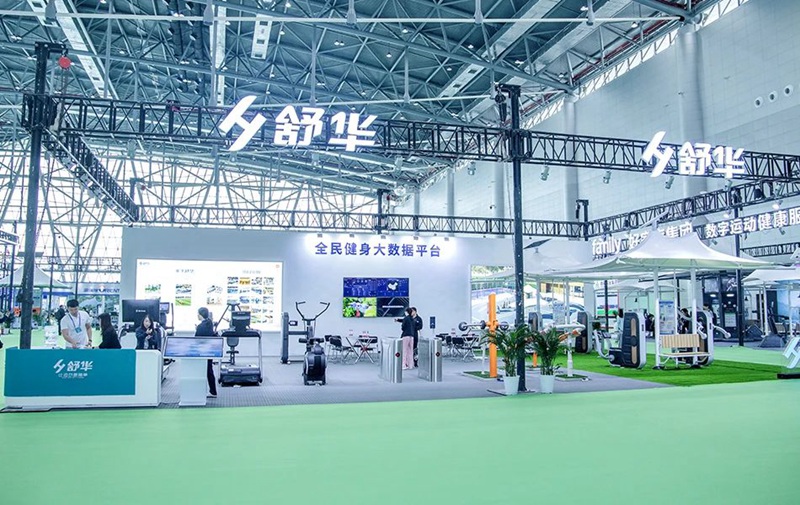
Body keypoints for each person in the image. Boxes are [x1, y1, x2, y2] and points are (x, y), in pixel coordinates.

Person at [195, 307, 218, 398]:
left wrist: (197, 329)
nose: (197, 315)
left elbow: (197, 339)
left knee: (206, 371)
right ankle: (213, 391)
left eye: (198, 314)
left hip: (202, 351)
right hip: (209, 351)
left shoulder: (201, 326)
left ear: (200, 315)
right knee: (209, 370)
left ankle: (211, 391)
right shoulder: (209, 323)